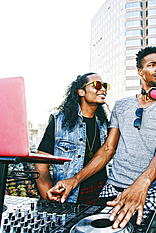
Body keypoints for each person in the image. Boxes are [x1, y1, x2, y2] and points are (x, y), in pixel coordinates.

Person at [47, 46, 156, 229]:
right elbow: (108, 149)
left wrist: (142, 183)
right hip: (112, 190)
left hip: (148, 191)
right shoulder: (121, 105)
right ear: (140, 72)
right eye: (152, 64)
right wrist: (74, 180)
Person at [35, 72, 109, 205]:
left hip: (101, 194)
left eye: (105, 86)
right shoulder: (59, 121)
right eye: (97, 85)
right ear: (81, 92)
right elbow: (41, 164)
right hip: (69, 197)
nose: (103, 89)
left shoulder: (104, 123)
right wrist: (50, 200)